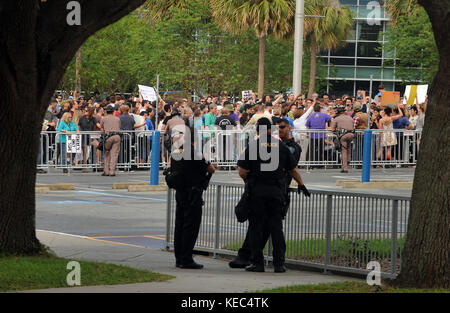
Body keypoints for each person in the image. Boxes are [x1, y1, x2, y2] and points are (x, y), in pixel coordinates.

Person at [236, 118, 310, 273]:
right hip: (276, 191)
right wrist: (301, 185)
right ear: (271, 129)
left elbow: (242, 171)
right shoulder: (281, 146)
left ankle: (257, 263)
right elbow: (293, 169)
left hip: (257, 192)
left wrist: (250, 182)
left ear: (258, 130)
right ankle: (279, 264)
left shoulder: (254, 146)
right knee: (276, 228)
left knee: (256, 228)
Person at [169, 127, 216, 269]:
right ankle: (186, 258)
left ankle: (179, 258)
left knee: (180, 225)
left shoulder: (176, 152)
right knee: (191, 226)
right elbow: (210, 169)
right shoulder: (194, 152)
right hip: (193, 193)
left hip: (181, 192)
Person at [331, 107, 355, 173]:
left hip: (343, 135)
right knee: (349, 148)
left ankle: (345, 167)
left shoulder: (337, 118)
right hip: (351, 134)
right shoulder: (350, 118)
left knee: (343, 151)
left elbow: (332, 129)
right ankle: (348, 160)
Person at [100, 105, 121, 176]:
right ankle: (112, 171)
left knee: (106, 153)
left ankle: (106, 171)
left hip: (108, 136)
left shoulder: (104, 119)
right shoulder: (117, 119)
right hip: (117, 136)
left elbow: (101, 128)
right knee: (114, 154)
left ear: (106, 111)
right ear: (113, 111)